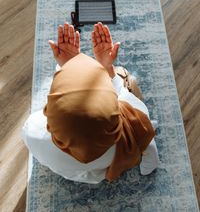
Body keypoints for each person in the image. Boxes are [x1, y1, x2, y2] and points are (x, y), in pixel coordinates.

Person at [21, 22, 159, 184]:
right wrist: (107, 67)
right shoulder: (131, 130)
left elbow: (68, 108)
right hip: (109, 162)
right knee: (124, 75)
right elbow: (150, 150)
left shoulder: (33, 132)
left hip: (71, 171)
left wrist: (67, 66)